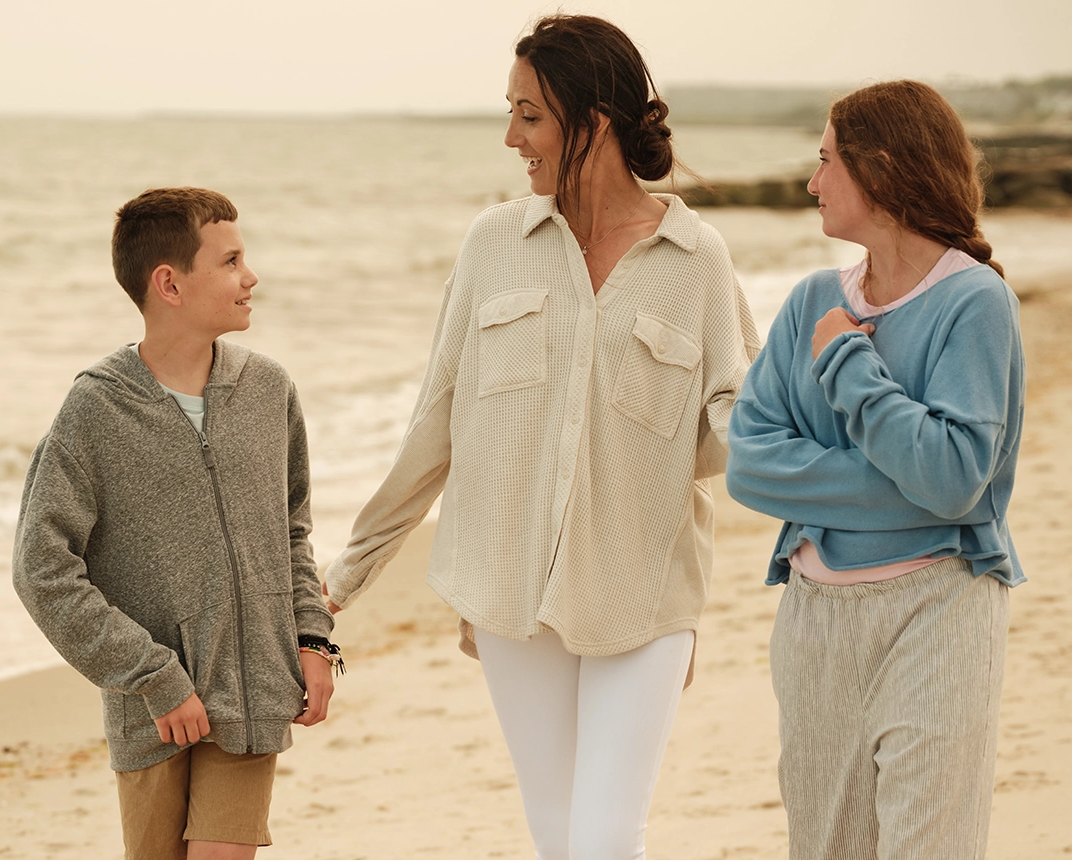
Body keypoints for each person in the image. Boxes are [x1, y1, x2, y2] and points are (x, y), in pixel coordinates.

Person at [323, 15, 758, 859]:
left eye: (529, 114)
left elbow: (738, 432)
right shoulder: (494, 244)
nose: (511, 136)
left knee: (604, 837)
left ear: (592, 119)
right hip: (512, 594)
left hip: (646, 597)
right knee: (559, 839)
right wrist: (345, 578)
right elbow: (435, 426)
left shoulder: (697, 258)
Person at [724, 80, 1026, 859]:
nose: (812, 181)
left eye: (826, 161)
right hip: (814, 623)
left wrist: (847, 360)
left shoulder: (975, 303)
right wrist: (910, 486)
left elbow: (957, 477)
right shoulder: (809, 300)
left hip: (939, 609)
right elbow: (751, 465)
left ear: (881, 170)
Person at [12, 187, 339, 860]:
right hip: (157, 711)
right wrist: (151, 674)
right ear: (169, 283)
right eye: (229, 262)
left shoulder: (267, 392)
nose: (250, 278)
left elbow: (291, 531)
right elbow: (41, 569)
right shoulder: (96, 410)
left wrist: (313, 638)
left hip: (253, 696)